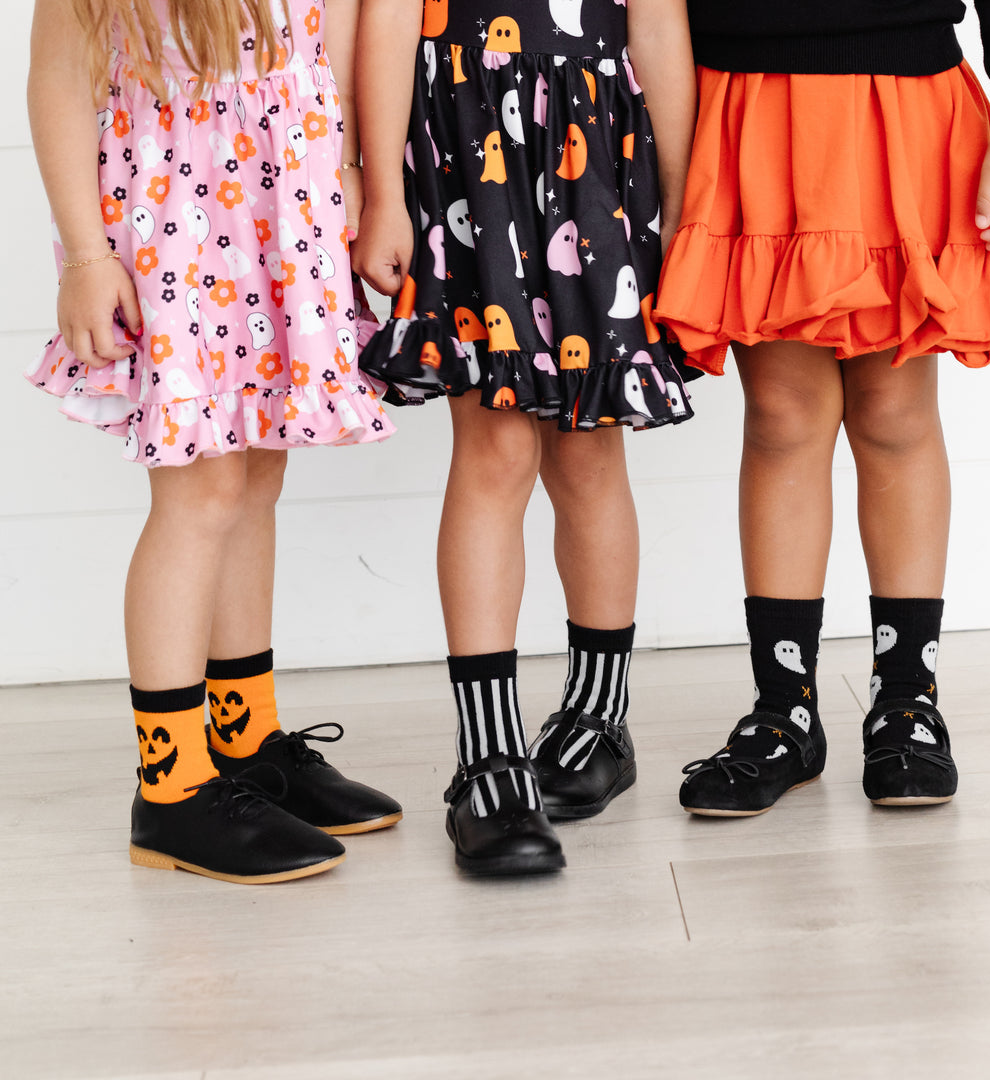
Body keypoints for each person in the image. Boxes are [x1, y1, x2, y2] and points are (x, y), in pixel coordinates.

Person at [655, 0, 990, 816]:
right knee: (781, 413)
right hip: (745, 101)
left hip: (903, 101)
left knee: (894, 408)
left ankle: (906, 702)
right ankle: (784, 712)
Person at [25, 0, 402, 883]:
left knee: (257, 477)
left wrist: (342, 166)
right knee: (200, 492)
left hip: (284, 192)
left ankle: (243, 737)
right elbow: (56, 74)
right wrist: (86, 256)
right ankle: (170, 785)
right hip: (179, 212)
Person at [354, 0, 696, 873]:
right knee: (496, 446)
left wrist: (687, 207)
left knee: (589, 446)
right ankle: (487, 756)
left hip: (596, 147)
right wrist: (382, 190)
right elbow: (388, 18)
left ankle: (598, 718)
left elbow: (656, 25)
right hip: (463, 138)